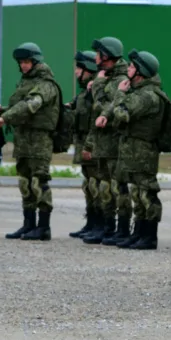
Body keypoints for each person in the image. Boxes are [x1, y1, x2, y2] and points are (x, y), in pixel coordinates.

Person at [99, 49, 167, 250]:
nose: (128, 68)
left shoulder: (147, 95)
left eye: (131, 66)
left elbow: (122, 114)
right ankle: (138, 232)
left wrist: (120, 93)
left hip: (144, 150)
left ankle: (149, 235)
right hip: (134, 149)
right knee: (137, 192)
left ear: (140, 71)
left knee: (146, 192)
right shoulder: (139, 92)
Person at [0, 42, 60, 241]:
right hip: (23, 139)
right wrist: (2, 111)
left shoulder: (46, 84)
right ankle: (28, 224)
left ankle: (44, 227)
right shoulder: (25, 82)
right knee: (25, 182)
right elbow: (22, 107)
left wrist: (5, 118)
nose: (23, 65)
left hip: (39, 140)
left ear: (35, 62)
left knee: (39, 181)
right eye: (21, 62)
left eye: (27, 62)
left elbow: (31, 105)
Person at [83, 37, 130, 246]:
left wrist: (98, 85)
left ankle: (121, 229)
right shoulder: (108, 78)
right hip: (103, 143)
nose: (95, 58)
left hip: (115, 143)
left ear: (107, 55)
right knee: (104, 188)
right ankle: (107, 227)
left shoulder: (120, 80)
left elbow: (103, 108)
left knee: (118, 188)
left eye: (98, 54)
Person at [68, 50, 99, 239]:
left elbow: (97, 119)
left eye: (79, 68)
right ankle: (91, 223)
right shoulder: (84, 92)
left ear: (89, 68)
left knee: (96, 185)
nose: (76, 72)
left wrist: (89, 146)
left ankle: (100, 225)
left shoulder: (96, 89)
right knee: (88, 185)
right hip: (83, 143)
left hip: (93, 145)